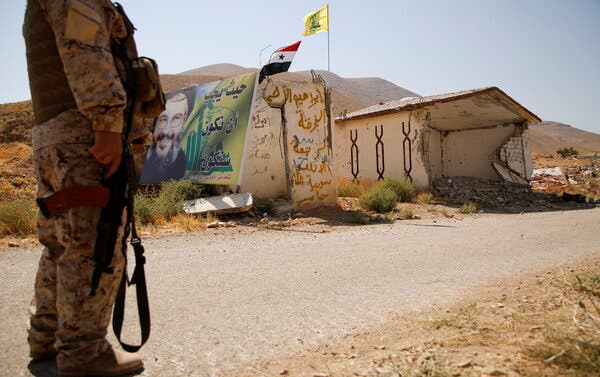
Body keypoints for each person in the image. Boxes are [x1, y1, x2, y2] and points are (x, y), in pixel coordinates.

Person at [23, 0, 146, 375]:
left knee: (61, 243)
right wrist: (107, 125)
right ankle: (83, 352)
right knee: (94, 245)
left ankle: (47, 339)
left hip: (58, 137)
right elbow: (86, 49)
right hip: (85, 138)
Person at [139, 91, 191, 184]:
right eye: (163, 119)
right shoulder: (141, 159)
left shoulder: (185, 164)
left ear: (183, 122)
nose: (166, 131)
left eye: (176, 118)